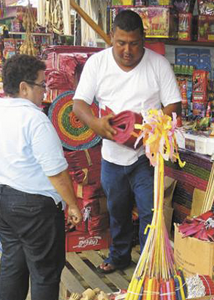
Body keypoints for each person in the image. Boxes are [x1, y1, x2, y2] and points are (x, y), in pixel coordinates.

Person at [72, 10, 182, 274]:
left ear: (143, 39)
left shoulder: (158, 64)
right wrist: (96, 124)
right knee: (117, 210)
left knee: (149, 211)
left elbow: (174, 105)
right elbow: (78, 104)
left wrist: (151, 128)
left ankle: (147, 262)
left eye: (133, 43)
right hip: (111, 156)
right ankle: (119, 256)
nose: (127, 50)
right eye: (121, 43)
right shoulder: (97, 63)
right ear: (112, 37)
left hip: (146, 157)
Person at [0, 54, 82, 300]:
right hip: (35, 206)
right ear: (24, 87)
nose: (45, 92)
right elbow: (56, 172)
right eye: (42, 85)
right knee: (44, 272)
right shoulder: (35, 119)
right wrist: (73, 204)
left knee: (13, 262)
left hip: (0, 198)